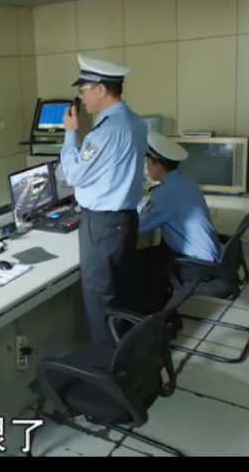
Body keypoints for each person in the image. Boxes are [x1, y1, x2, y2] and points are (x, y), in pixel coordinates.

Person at [59, 54, 148, 345]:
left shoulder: (107, 131)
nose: (81, 98)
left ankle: (106, 363)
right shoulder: (134, 121)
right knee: (118, 292)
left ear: (99, 89)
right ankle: (124, 351)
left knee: (99, 299)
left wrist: (70, 134)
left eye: (83, 90)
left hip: (102, 224)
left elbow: (73, 175)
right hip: (125, 220)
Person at [128, 131, 222, 315]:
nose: (146, 167)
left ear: (158, 165)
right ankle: (160, 313)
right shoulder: (184, 181)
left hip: (195, 265)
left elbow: (138, 227)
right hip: (206, 257)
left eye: (148, 162)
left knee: (128, 266)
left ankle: (148, 320)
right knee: (143, 259)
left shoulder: (166, 192)